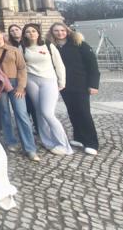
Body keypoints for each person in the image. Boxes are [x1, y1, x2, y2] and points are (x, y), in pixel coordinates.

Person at [0, 28, 39, 161]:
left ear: (2, 35)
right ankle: (11, 141)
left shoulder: (14, 50)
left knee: (21, 114)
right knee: (4, 113)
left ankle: (30, 148)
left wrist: (21, 86)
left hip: (15, 83)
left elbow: (22, 68)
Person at [47, 22, 100, 155]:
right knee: (72, 111)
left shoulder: (79, 43)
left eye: (62, 30)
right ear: (52, 32)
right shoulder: (52, 46)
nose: (60, 33)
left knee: (84, 112)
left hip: (81, 83)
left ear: (67, 31)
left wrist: (93, 84)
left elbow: (92, 64)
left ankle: (91, 143)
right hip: (64, 85)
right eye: (56, 31)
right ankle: (79, 138)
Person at [21, 23, 73, 155]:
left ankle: (64, 145)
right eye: (28, 32)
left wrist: (62, 81)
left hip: (49, 80)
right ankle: (48, 142)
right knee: (39, 112)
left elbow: (59, 64)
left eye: (33, 31)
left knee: (47, 113)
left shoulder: (48, 45)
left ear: (38, 33)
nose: (31, 33)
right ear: (25, 34)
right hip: (31, 81)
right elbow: (21, 67)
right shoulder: (22, 47)